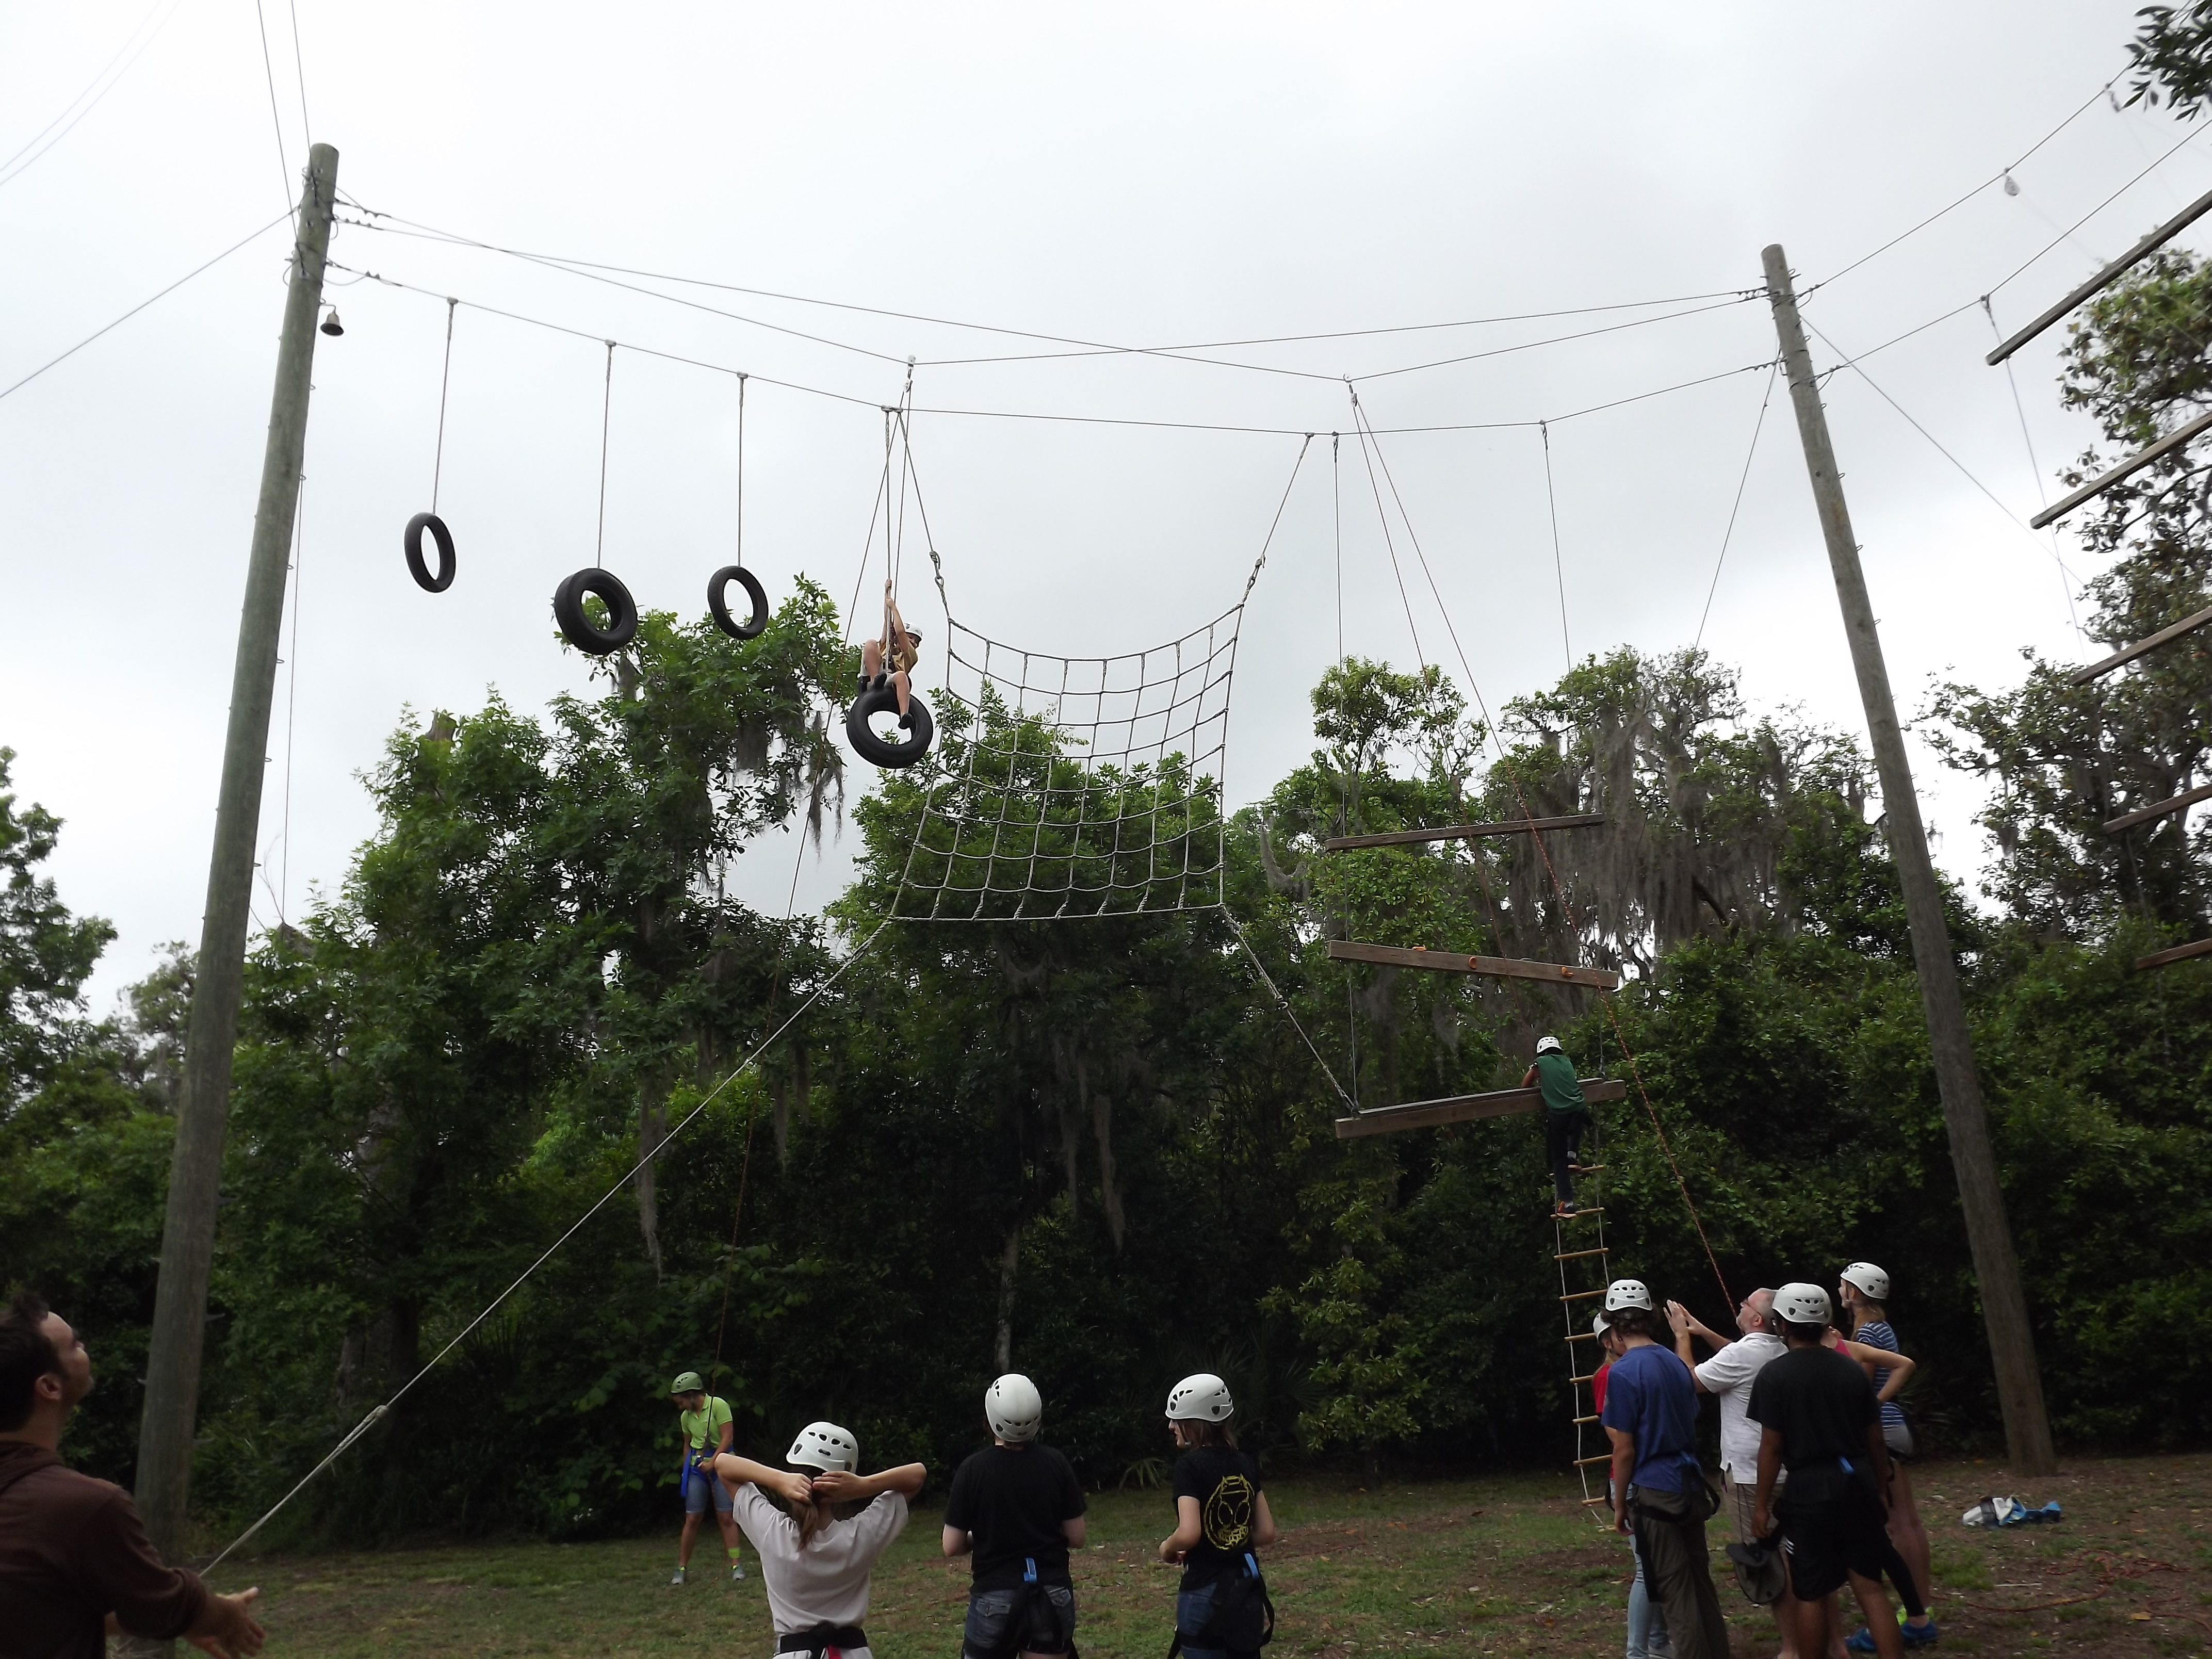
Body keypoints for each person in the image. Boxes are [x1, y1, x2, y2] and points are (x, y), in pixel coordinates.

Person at [0, 1291, 267, 1659]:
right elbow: (163, 1605)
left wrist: (184, 1618)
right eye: (74, 1344)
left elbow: (37, 1609)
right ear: (50, 1386)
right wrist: (221, 1616)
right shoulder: (83, 1507)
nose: (84, 1347)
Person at [1747, 1283, 1905, 1659]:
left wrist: (1761, 1506)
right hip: (1857, 1482)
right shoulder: (1851, 1369)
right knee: (1871, 1587)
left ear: (1782, 1324)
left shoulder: (1774, 1375)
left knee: (1812, 1592)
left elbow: (1772, 1447)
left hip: (1808, 1491)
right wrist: (1880, 1487)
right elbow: (1875, 1439)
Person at [710, 1421, 922, 1659]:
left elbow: (723, 1464)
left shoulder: (772, 1531)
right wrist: (863, 1486)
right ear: (844, 1484)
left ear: (794, 1470)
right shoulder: (862, 1535)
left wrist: (779, 1479)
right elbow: (917, 1475)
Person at [1599, 1279, 1728, 1659]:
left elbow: (1624, 1449)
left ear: (1614, 1325)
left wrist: (1619, 1505)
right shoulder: (1675, 1363)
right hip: (1689, 1483)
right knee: (1700, 1582)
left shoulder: (1623, 1373)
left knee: (1675, 1589)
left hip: (1655, 1490)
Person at [1668, 1289, 1800, 1656]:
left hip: (1749, 1476)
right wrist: (1702, 1331)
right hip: (1791, 1471)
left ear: (1756, 1319)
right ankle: (1826, 1643)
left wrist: (1681, 1337)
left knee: (1770, 1561)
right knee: (1801, 1556)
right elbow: (1736, 1354)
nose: (1740, 1305)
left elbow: (1689, 1382)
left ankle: (1793, 1648)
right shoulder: (1781, 1348)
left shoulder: (1741, 1355)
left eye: (1746, 1304)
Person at [943, 1373, 1088, 1659]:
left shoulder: (973, 1469)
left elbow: (951, 1545)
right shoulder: (1056, 1463)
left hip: (994, 1596)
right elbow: (1077, 1537)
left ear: (990, 1417)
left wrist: (981, 1537)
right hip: (1051, 1593)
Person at [1836, 1262, 1937, 1651]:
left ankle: (1916, 1619)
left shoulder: (1867, 1331)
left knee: (1898, 1525)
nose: (1840, 1291)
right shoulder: (1881, 1327)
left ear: (1855, 1293)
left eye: (1844, 1286)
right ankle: (1920, 1610)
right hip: (1896, 1427)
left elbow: (1860, 1382)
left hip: (1883, 1431)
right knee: (1907, 1522)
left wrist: (1872, 1402)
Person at [1156, 1373, 1278, 1659]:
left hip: (1204, 1591)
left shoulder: (1189, 1467)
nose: (1171, 1426)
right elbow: (1266, 1532)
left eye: (1177, 1419)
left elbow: (1189, 1533)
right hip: (1246, 1592)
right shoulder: (1245, 1462)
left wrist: (1167, 1548)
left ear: (1194, 1423)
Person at [1593, 1314, 1670, 1659]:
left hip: (1650, 1475)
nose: (1626, 1337)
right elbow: (1616, 1435)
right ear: (1608, 1341)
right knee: (1646, 1569)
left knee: (1658, 1566)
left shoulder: (1640, 1367)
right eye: (1617, 1334)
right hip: (1631, 1478)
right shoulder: (1608, 1375)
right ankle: (1637, 1652)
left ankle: (1659, 1641)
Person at [669, 1369, 744, 1585]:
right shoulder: (685, 1417)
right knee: (692, 1519)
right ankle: (681, 1568)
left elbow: (727, 1437)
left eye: (682, 1401)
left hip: (723, 1465)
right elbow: (687, 1444)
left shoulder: (719, 1406)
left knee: (726, 1517)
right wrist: (686, 1470)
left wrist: (714, 1463)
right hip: (697, 1469)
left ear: (692, 1395)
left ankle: (736, 1565)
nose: (680, 1406)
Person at [1522, 1035, 1591, 1218]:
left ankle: (1568, 1203)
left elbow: (1525, 1085)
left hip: (1559, 1114)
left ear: (1541, 1052)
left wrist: (1539, 1076)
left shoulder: (1540, 1063)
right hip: (1579, 1109)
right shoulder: (1566, 1061)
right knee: (1577, 1119)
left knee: (1557, 1161)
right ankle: (1573, 1155)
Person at [859, 580, 923, 719]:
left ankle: (904, 715)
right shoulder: (887, 647)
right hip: (874, 675)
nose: (914, 643)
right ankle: (874, 681)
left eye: (916, 641)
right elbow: (887, 620)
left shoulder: (911, 655)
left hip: (890, 679)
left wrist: (894, 607)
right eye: (911, 638)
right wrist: (886, 593)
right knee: (871, 644)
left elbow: (900, 632)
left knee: (901, 676)